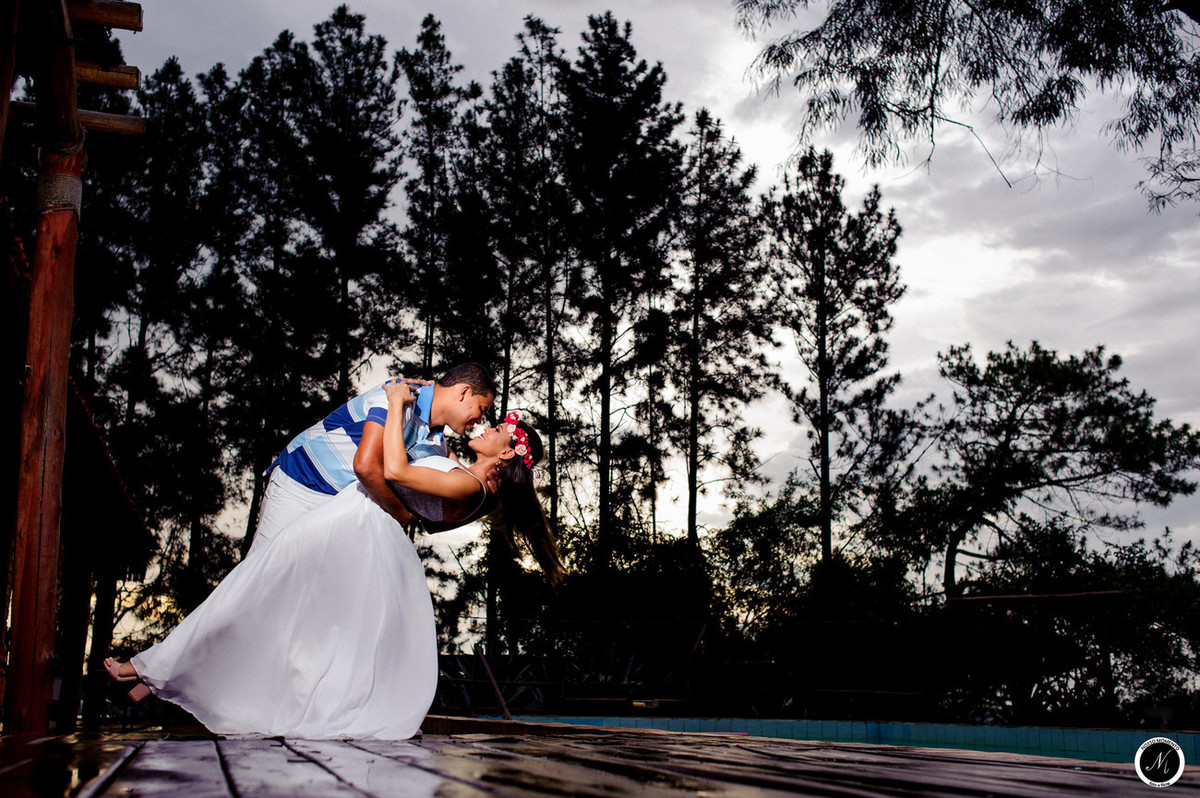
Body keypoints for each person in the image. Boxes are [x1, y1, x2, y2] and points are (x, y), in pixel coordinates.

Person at [102, 384, 562, 739]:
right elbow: (425, 459)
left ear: (506, 453)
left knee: (264, 590)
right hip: (354, 521)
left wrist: (397, 402)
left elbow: (393, 470)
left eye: (497, 429)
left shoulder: (471, 486)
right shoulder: (461, 469)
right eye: (484, 413)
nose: (486, 424)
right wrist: (424, 405)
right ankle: (160, 673)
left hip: (356, 523)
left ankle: (156, 670)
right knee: (274, 598)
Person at [249, 362, 496, 554]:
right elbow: (366, 467)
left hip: (338, 506)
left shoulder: (436, 443)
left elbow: (456, 496)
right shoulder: (398, 394)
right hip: (300, 481)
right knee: (261, 574)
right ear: (464, 392)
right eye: (481, 409)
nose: (480, 420)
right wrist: (401, 515)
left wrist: (494, 485)